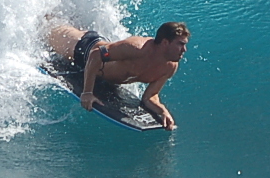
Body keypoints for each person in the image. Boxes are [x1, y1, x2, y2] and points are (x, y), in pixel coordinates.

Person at [46, 21, 190, 130]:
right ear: (165, 42)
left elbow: (149, 97)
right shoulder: (137, 48)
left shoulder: (169, 67)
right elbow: (96, 55)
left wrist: (162, 111)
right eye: (180, 44)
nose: (184, 49)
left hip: (102, 69)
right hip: (82, 49)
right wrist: (87, 92)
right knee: (47, 31)